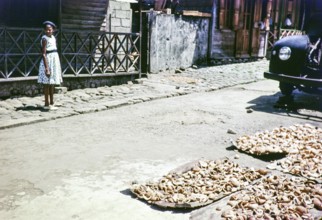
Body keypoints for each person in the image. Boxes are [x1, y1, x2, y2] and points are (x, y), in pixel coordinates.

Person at [38, 21, 62, 110]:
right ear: (44, 30)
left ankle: (52, 102)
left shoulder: (53, 38)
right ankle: (46, 103)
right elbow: (43, 53)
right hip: (47, 60)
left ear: (53, 30)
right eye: (46, 30)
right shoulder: (44, 39)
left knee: (52, 82)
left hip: (54, 59)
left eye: (50, 29)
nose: (48, 31)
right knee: (47, 83)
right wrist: (47, 68)